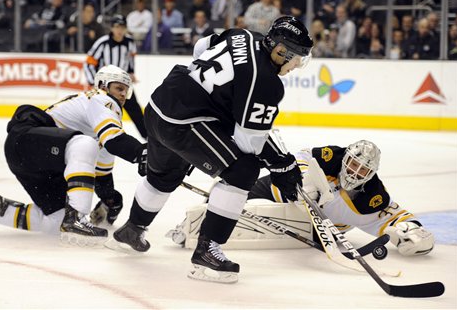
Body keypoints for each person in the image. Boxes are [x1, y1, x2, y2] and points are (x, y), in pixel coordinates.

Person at [106, 16, 313, 283]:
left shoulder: (242, 35)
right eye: (296, 57)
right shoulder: (266, 82)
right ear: (280, 50)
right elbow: (249, 143)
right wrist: (281, 166)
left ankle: (131, 230)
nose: (296, 65)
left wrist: (218, 99)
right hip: (184, 122)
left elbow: (201, 49)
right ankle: (207, 251)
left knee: (165, 175)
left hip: (159, 106)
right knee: (243, 170)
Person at [0, 65, 147, 246]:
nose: (123, 95)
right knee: (84, 143)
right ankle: (77, 218)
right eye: (119, 88)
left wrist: (111, 200)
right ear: (102, 86)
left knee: (56, 222)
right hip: (27, 140)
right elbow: (115, 141)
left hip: (37, 159)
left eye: (126, 91)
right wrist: (144, 153)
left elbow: (103, 174)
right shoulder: (100, 99)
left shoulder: (104, 124)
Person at [170, 140, 435, 257]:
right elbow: (303, 155)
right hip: (278, 192)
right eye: (353, 164)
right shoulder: (334, 155)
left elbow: (395, 216)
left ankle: (202, 230)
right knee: (230, 190)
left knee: (250, 225)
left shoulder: (373, 196)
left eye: (363, 170)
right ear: (347, 159)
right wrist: (305, 180)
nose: (355, 172)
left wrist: (413, 231)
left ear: (372, 173)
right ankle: (195, 220)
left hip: (314, 229)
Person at [84, 15, 148, 139]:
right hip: (105, 87)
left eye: (122, 27)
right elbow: (89, 63)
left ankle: (148, 139)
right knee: (102, 113)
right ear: (112, 28)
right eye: (117, 27)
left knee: (136, 112)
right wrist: (93, 82)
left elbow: (130, 60)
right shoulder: (102, 43)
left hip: (122, 84)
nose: (119, 30)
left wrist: (131, 72)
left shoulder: (130, 42)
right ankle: (94, 137)